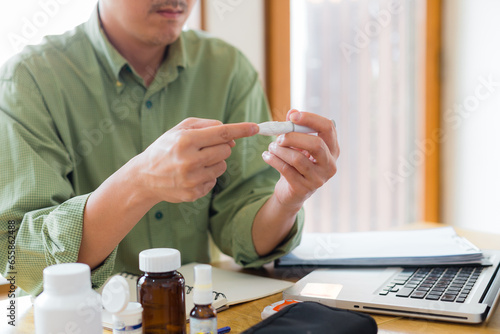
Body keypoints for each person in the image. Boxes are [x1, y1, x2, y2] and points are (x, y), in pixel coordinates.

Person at [0, 0, 339, 296]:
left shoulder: (227, 69)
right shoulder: (30, 81)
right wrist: (140, 181)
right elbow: (19, 259)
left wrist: (287, 199)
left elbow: (244, 233)